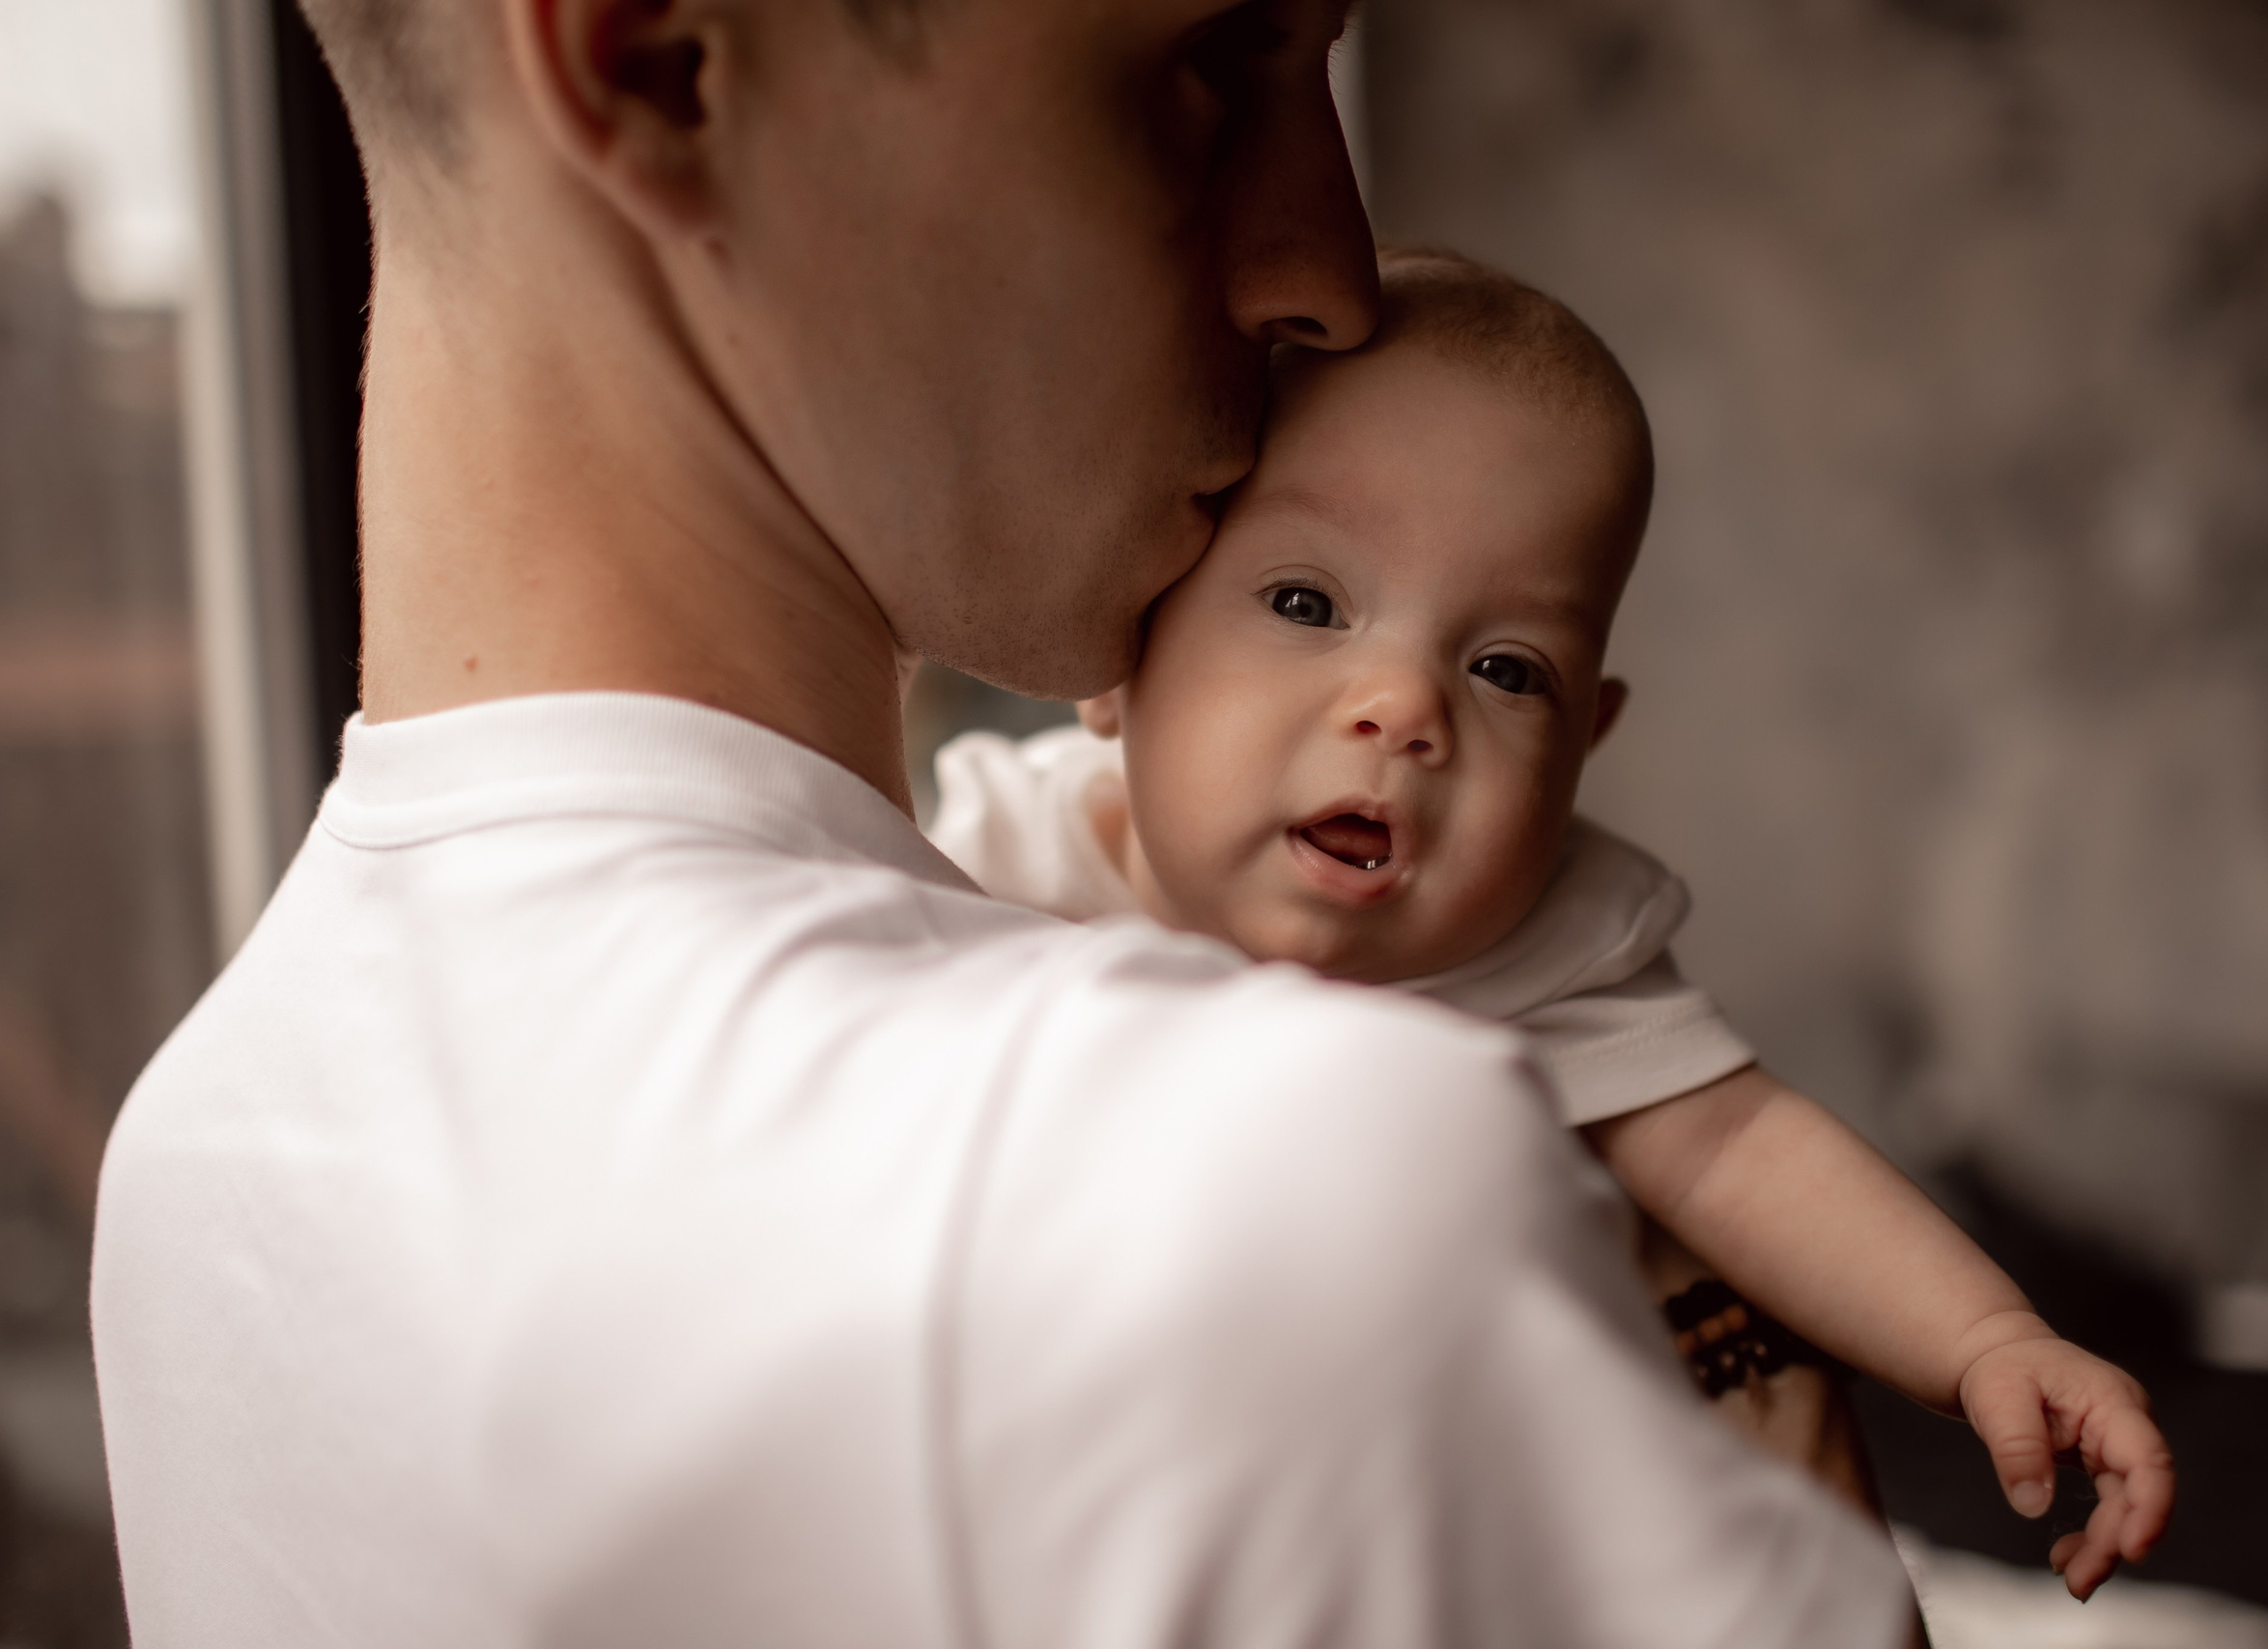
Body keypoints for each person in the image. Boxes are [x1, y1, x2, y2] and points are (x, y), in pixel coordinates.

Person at [90, 1, 1915, 1644]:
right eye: (1209, 64)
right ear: (657, 63)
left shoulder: (196, 1170)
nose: (1332, 273)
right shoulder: (1266, 1191)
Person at [929, 248, 2176, 1601]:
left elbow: (1735, 1146)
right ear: (1123, 654)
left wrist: (1987, 1339)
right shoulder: (997, 872)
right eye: (1306, 603)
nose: (1404, 706)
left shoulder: (1531, 950)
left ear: (1588, 742)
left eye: (1505, 668)